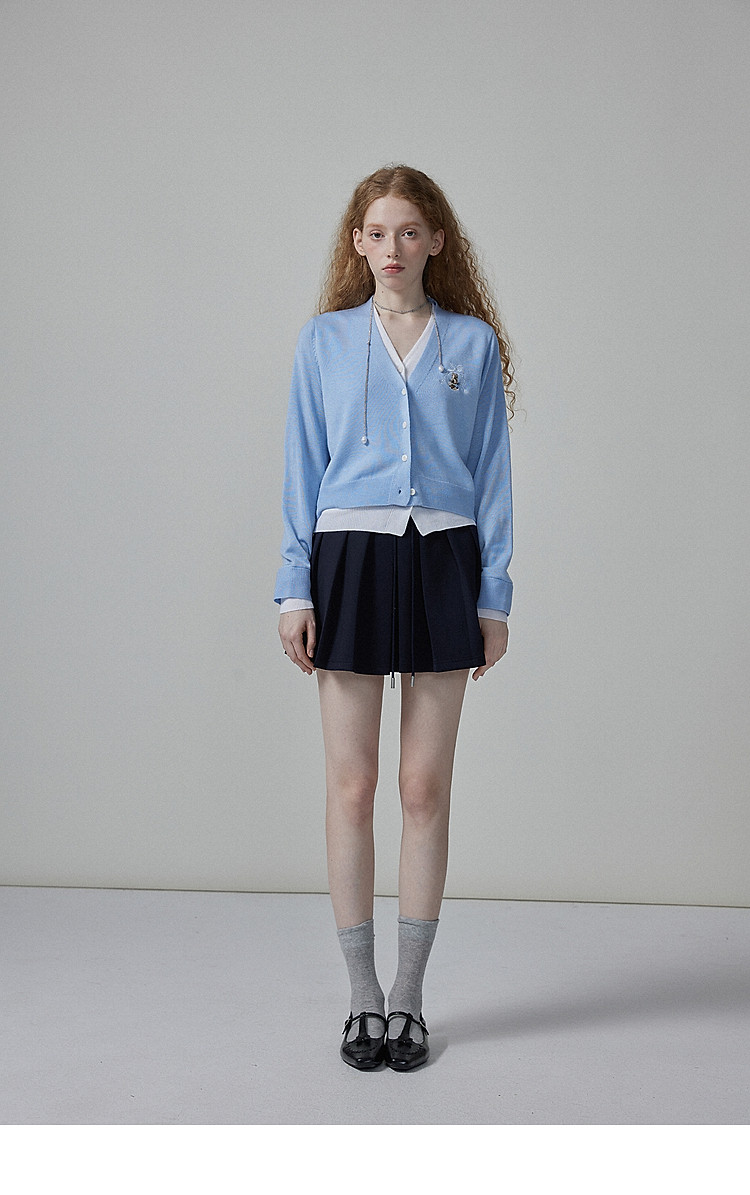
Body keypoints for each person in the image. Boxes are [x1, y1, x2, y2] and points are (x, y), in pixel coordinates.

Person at [274, 165, 514, 1071]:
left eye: (409, 230)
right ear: (358, 243)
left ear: (436, 241)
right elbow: (302, 466)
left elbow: (492, 476)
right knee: (352, 785)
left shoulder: (472, 344)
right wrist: (294, 589)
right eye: (376, 232)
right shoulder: (325, 342)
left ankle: (408, 997)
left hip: (445, 558)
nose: (392, 248)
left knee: (422, 787)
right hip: (349, 558)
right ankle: (361, 998)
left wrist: (494, 596)